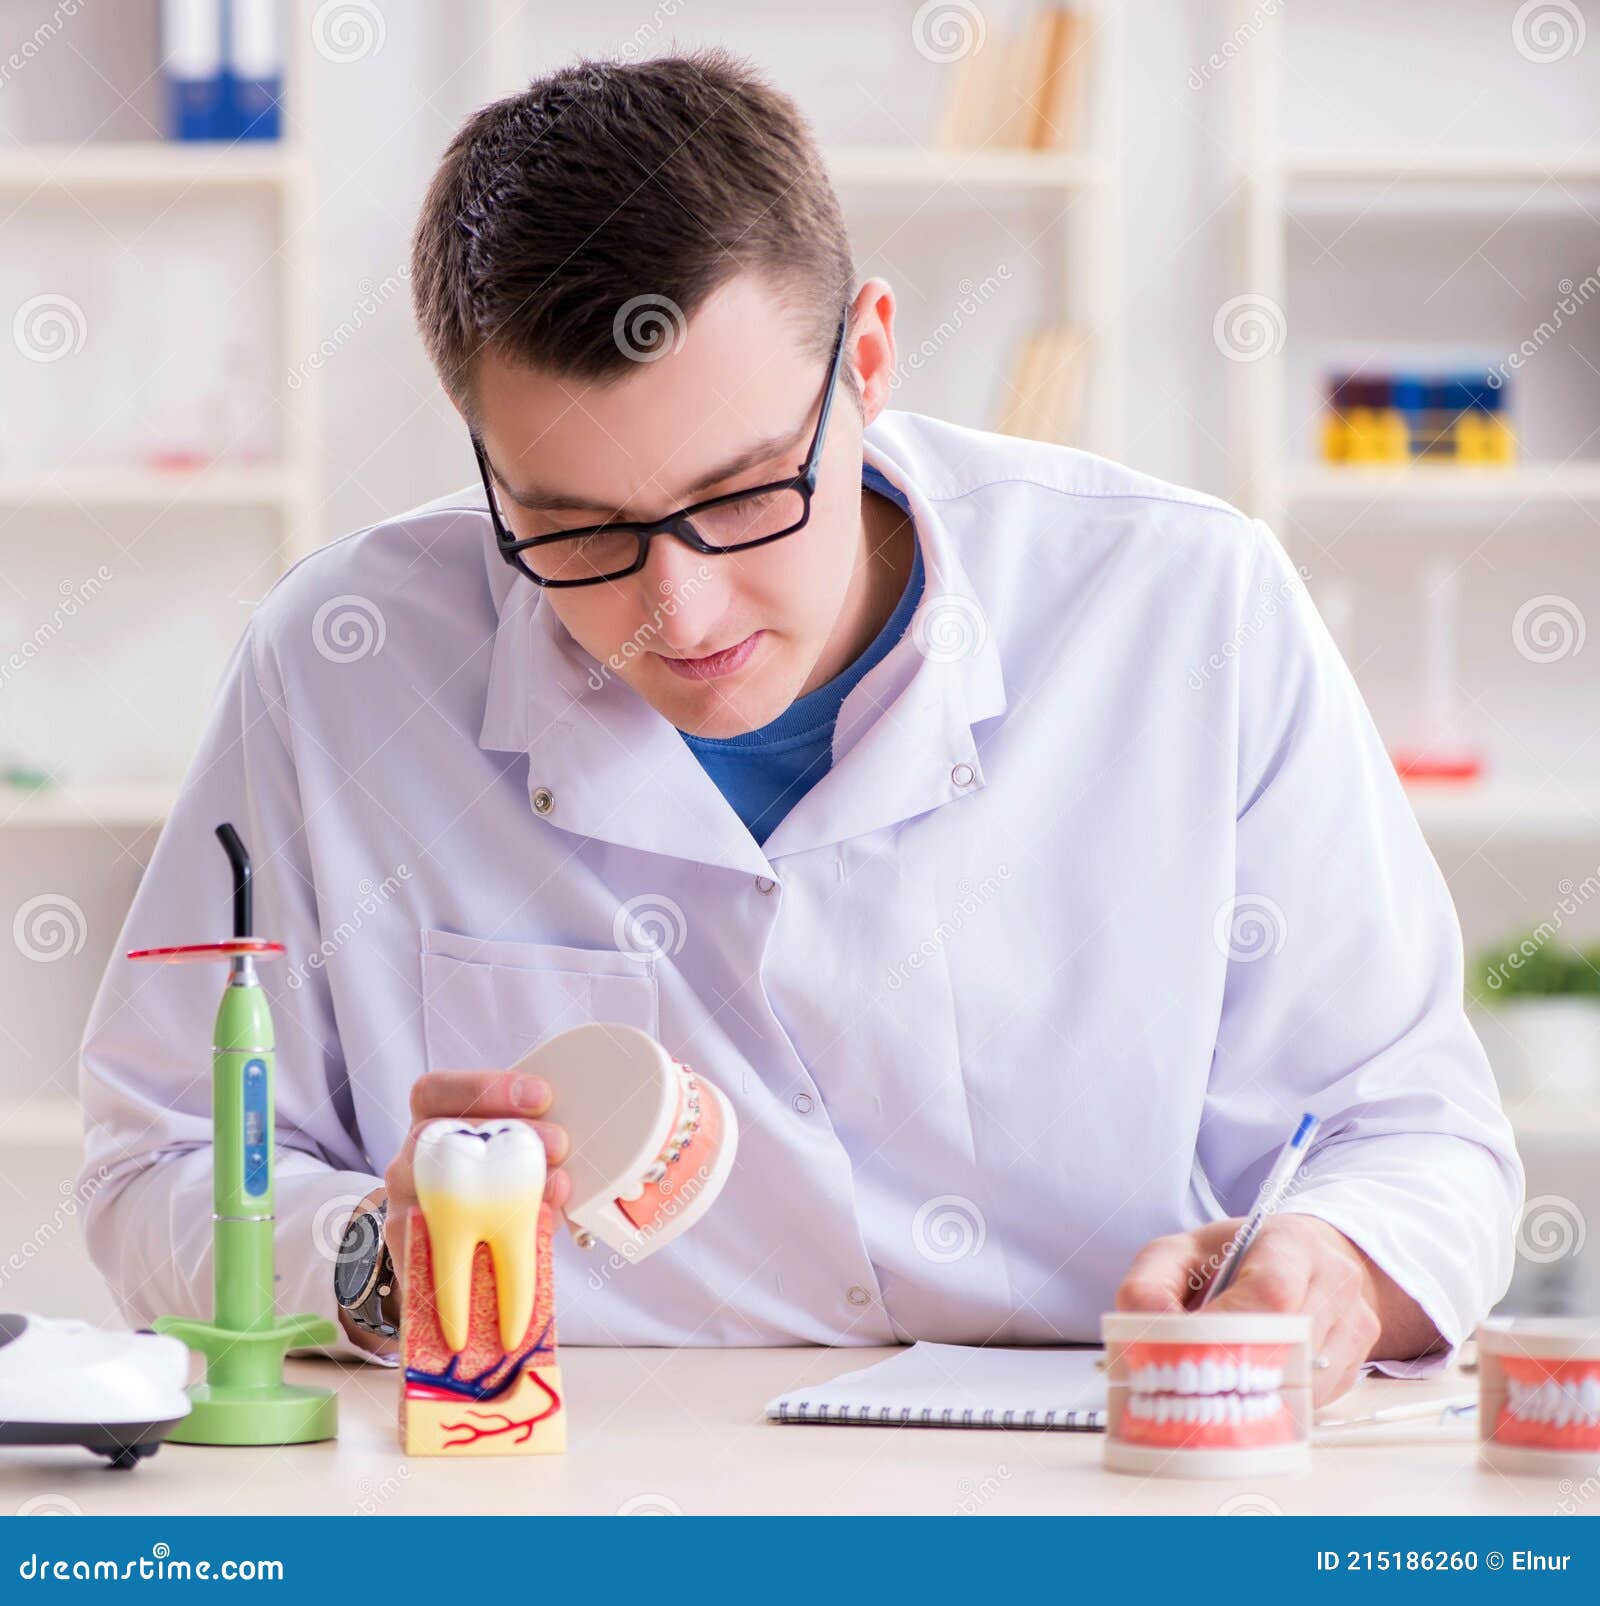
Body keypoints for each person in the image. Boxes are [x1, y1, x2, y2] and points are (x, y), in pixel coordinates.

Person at [79, 50, 1521, 1405]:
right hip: (558, 1489)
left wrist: (1329, 1268)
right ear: (484, 462)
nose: (682, 609)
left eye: (747, 491)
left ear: (870, 358)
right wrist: (380, 1261)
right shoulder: (343, 665)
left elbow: (1413, 1130)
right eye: (575, 529)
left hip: (1102, 1476)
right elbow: (158, 1160)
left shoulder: (1186, 607)